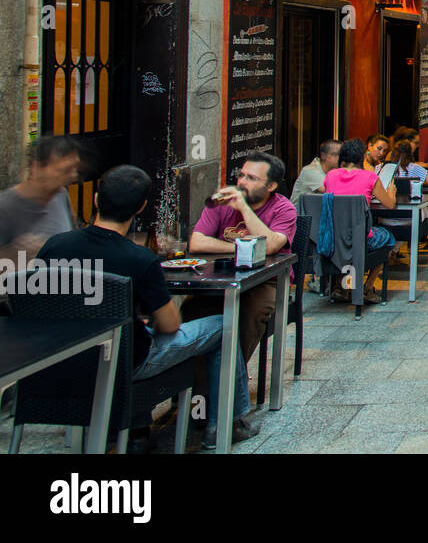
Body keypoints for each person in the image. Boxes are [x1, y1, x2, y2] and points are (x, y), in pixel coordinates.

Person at [37, 165, 258, 450]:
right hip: (127, 362)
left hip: (63, 358)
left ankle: (137, 425)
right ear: (140, 207)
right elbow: (169, 326)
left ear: (95, 200)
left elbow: (44, 301)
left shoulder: (55, 246)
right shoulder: (140, 258)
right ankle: (227, 423)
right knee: (221, 325)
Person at [186, 152, 298, 374]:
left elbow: (270, 247)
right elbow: (196, 243)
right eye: (241, 176)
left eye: (252, 178)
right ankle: (189, 386)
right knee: (192, 310)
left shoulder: (283, 209)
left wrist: (244, 208)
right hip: (222, 278)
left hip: (266, 282)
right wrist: (241, 247)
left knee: (251, 311)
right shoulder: (219, 203)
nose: (242, 183)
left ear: (271, 186)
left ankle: (227, 380)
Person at [0, 135, 81, 311]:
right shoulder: (5, 207)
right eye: (65, 170)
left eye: (75, 169)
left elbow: (72, 237)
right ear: (37, 168)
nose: (73, 176)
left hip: (63, 298)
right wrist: (17, 254)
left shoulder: (61, 195)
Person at [323, 138, 397, 304]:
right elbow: (389, 204)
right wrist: (391, 191)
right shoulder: (369, 177)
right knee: (388, 238)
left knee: (345, 242)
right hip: (361, 241)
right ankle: (367, 287)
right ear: (362, 157)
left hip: (334, 239)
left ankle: (342, 287)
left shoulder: (331, 176)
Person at [289, 139, 341, 205]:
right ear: (323, 155)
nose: (341, 158)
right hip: (301, 214)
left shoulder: (335, 171)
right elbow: (331, 191)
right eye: (337, 154)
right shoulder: (310, 170)